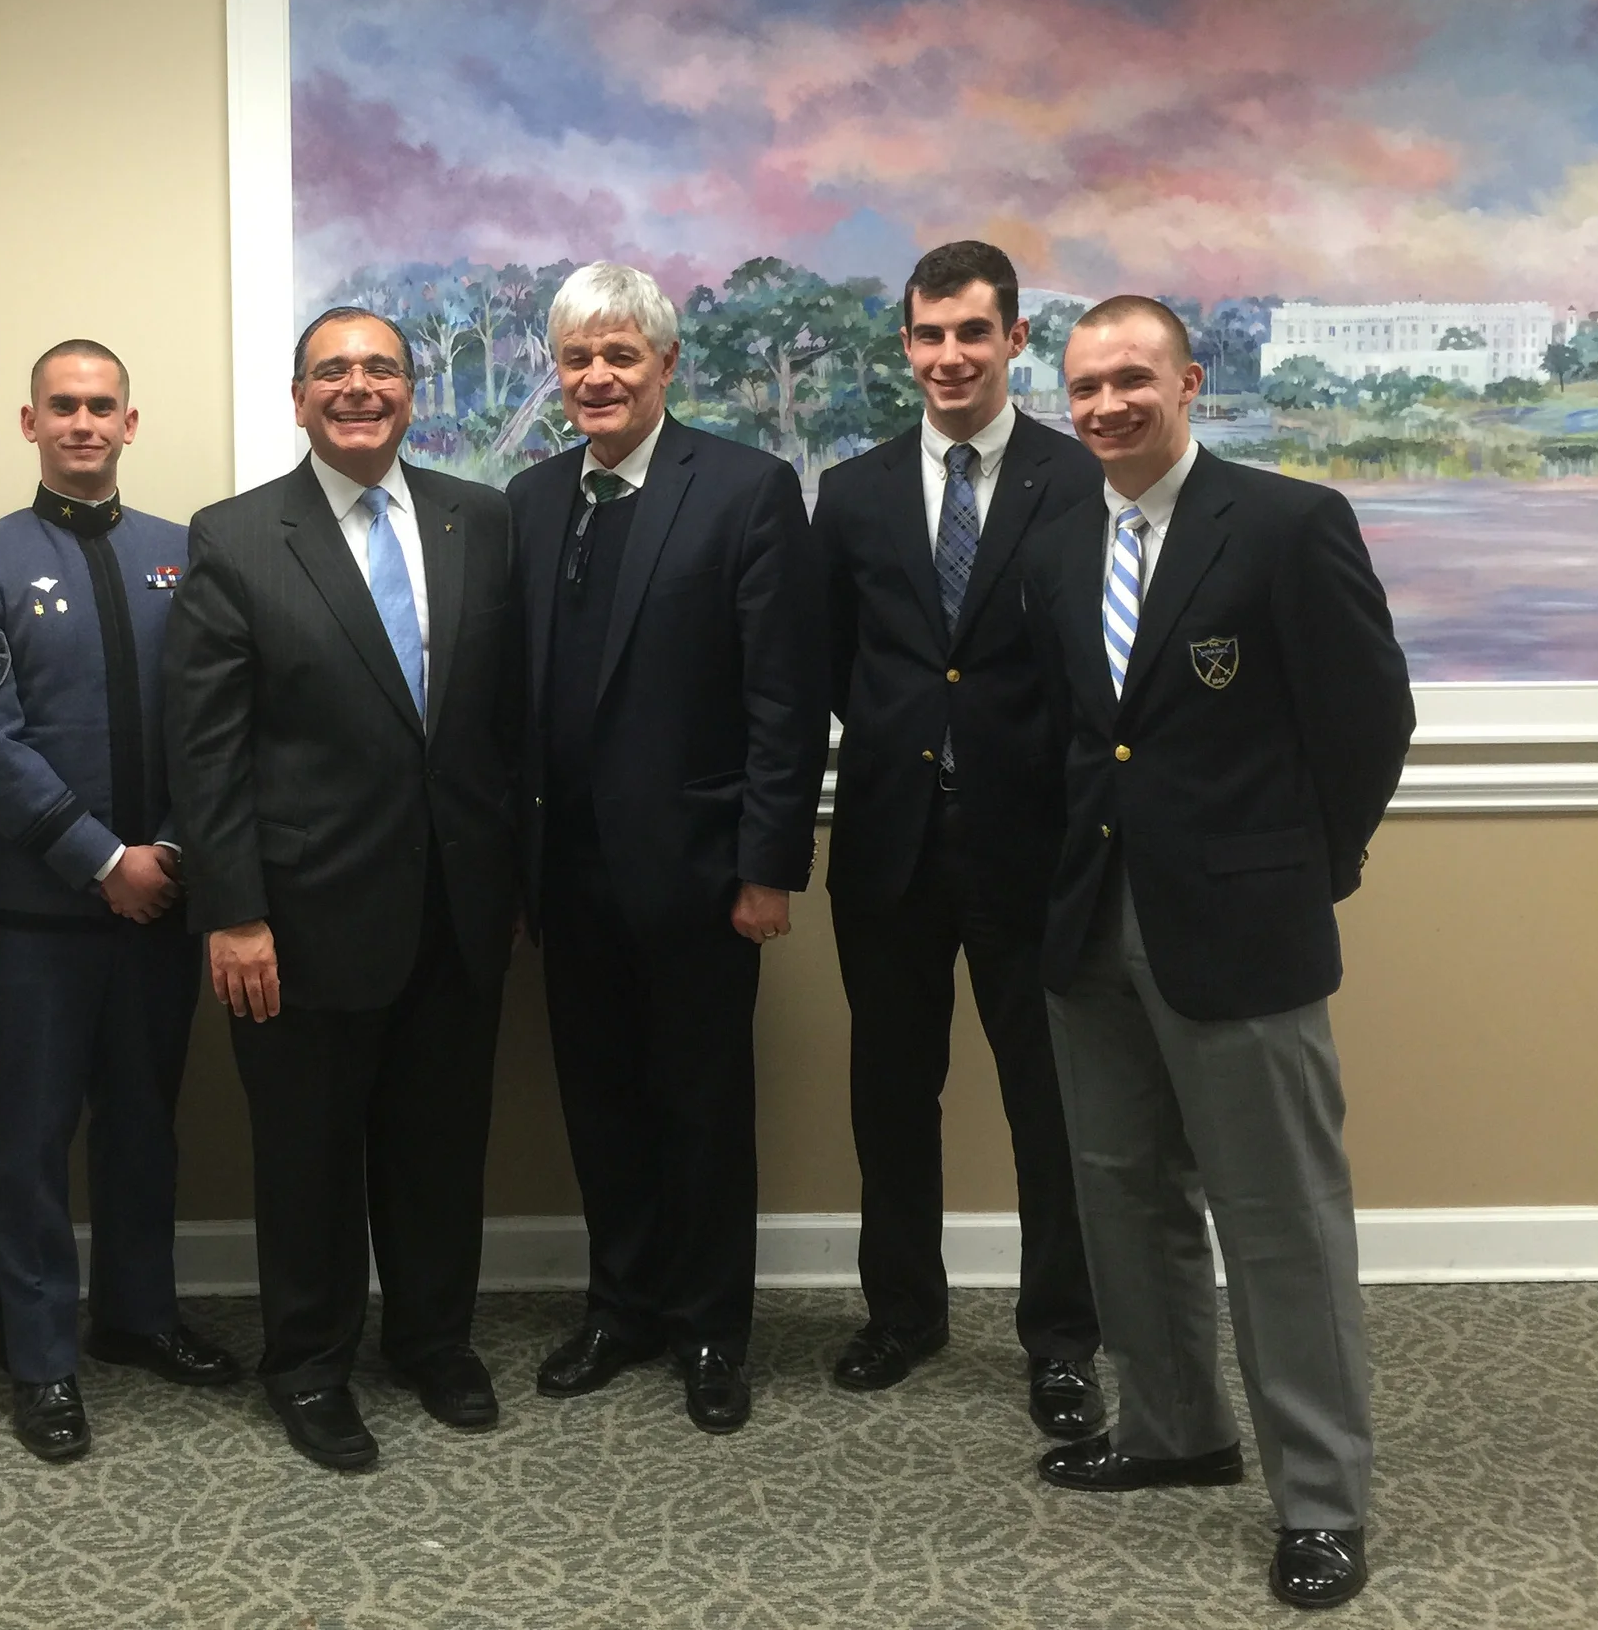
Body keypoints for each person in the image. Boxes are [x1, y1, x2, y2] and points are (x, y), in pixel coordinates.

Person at [1023, 296, 1410, 1611]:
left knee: (1281, 1223)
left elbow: (1369, 718)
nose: (1107, 404)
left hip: (1242, 927)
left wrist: (1311, 866)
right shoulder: (1063, 533)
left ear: (1189, 380)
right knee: (1124, 1196)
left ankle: (1320, 1497)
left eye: (1133, 377)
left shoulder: (1289, 524)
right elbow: (1078, 732)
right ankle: (1174, 1427)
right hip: (1092, 924)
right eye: (1083, 386)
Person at [164, 307, 518, 1471]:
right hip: (298, 921)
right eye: (334, 372)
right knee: (308, 1159)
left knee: (440, 1147)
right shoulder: (236, 535)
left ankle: (433, 1342)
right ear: (298, 396)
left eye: (381, 370)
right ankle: (308, 1365)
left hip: (456, 908)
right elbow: (205, 748)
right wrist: (232, 911)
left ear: (413, 392)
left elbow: (505, 724)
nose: (358, 388)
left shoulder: (481, 520)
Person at [506, 262, 826, 1434]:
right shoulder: (532, 502)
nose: (596, 377)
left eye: (619, 356)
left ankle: (709, 1330)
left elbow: (785, 699)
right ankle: (620, 1305)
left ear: (664, 365)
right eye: (578, 358)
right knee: (597, 1103)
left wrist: (765, 869)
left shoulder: (743, 491)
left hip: (698, 875)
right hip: (566, 875)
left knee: (699, 1106)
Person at [810, 241, 1103, 1434]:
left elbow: (1096, 671)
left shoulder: (1076, 480)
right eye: (927, 336)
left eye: (970, 334)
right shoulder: (855, 489)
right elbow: (829, 659)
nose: (947, 357)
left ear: (1014, 339)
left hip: (1034, 849)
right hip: (888, 844)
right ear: (904, 346)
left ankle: (1062, 1338)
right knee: (890, 1091)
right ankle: (903, 1313)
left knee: (1051, 1103)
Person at [0, 340, 238, 1464]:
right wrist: (101, 858)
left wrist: (166, 854)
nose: (81, 423)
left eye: (100, 406)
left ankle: (139, 1317)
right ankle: (42, 1358)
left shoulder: (185, 554)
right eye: (60, 407)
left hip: (164, 898)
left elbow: (218, 718)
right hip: (38, 913)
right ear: (29, 424)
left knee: (145, 1125)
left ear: (130, 422)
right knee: (30, 1136)